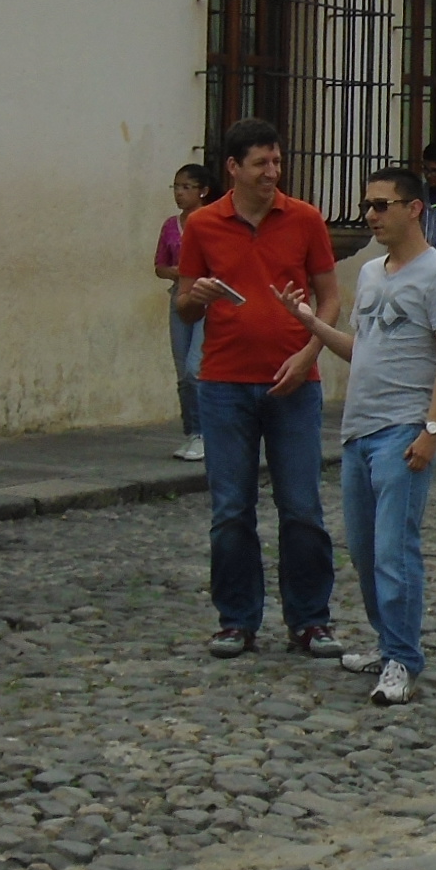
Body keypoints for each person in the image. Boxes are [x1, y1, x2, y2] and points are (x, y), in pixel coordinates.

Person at [271, 166, 436, 707]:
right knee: (363, 550)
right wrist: (310, 321)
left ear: (413, 209)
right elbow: (363, 348)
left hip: (402, 429)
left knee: (394, 552)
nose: (371, 216)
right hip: (360, 429)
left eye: (382, 205)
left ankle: (403, 657)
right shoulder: (374, 274)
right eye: (367, 206)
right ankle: (388, 644)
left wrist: (431, 428)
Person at [177, 118, 342, 659]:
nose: (273, 172)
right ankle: (237, 620)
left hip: (294, 381)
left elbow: (329, 297)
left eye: (276, 162)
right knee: (230, 509)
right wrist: (197, 295)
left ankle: (311, 620)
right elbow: (183, 301)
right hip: (223, 383)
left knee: (301, 507)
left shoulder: (305, 218)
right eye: (261, 163)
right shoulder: (202, 224)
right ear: (233, 168)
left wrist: (308, 351)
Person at [156, 163, 211, 461]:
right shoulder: (170, 226)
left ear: (202, 191)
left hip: (206, 296)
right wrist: (175, 272)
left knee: (195, 368)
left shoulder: (211, 221)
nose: (179, 193)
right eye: (176, 187)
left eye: (186, 187)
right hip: (179, 293)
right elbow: (159, 265)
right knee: (182, 370)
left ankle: (204, 433)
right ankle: (191, 430)